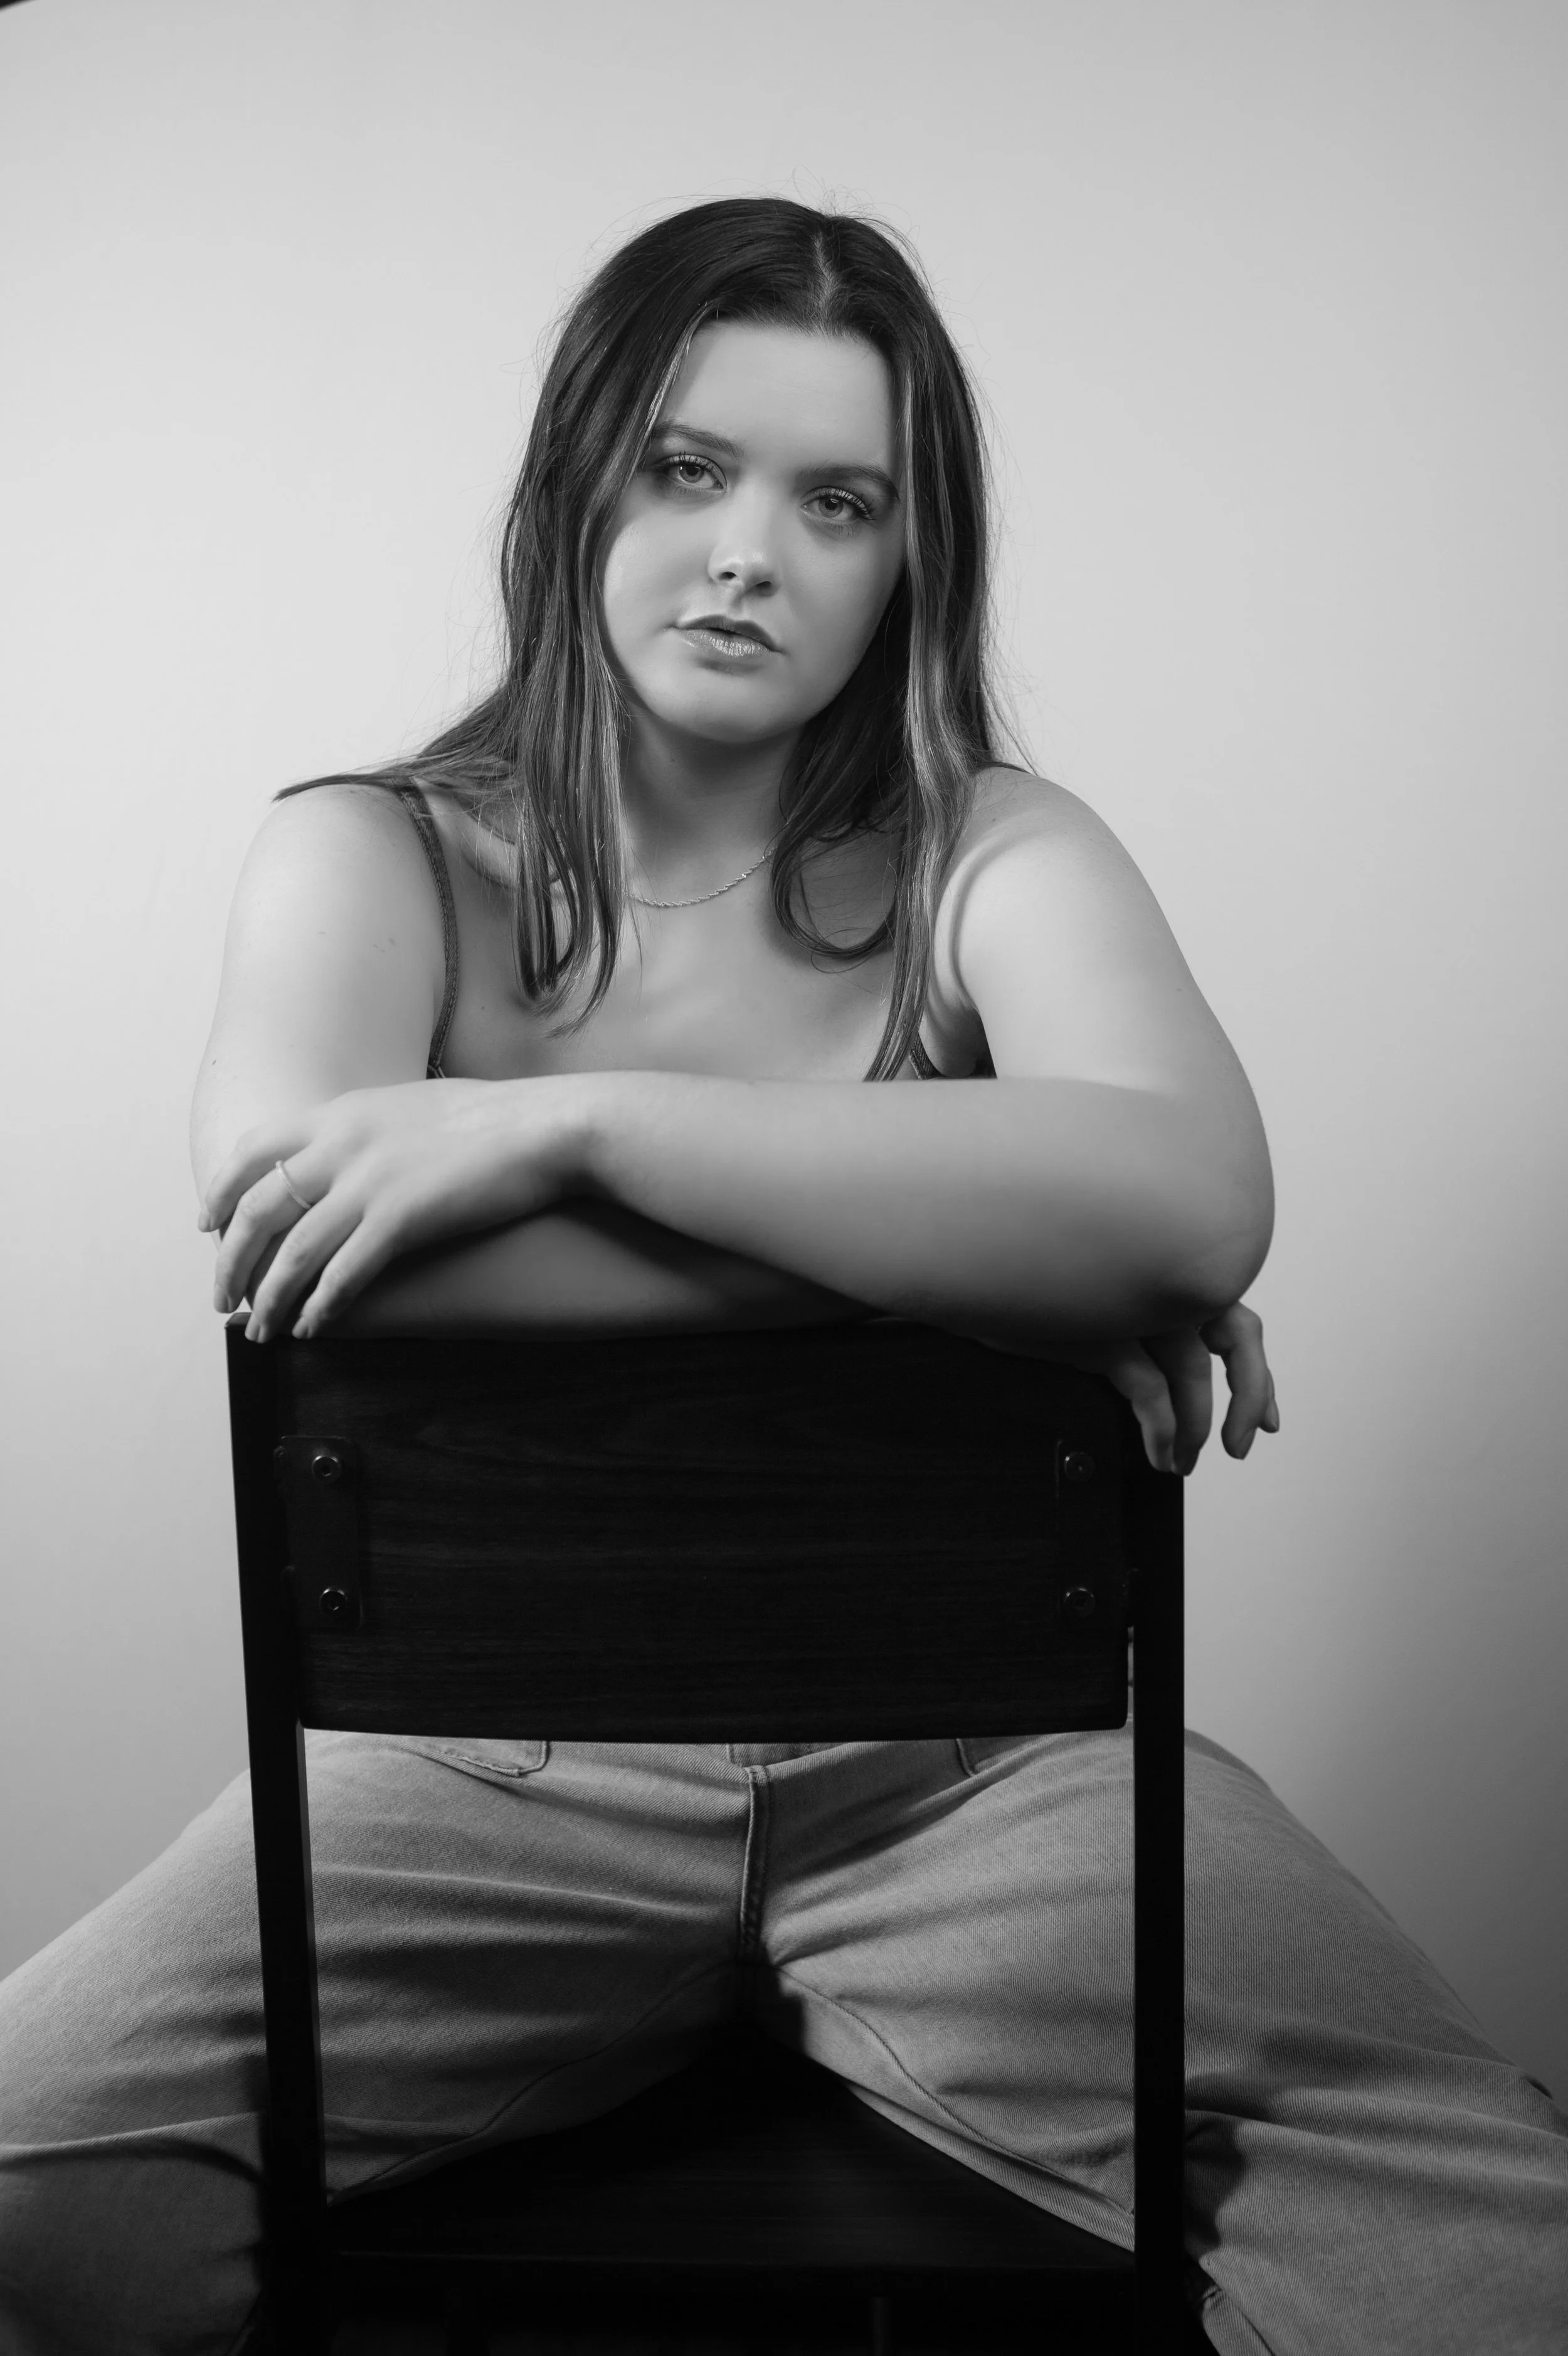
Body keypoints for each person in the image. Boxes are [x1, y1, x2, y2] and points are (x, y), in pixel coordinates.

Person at [1, 197, 1562, 2356]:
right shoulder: (372, 853)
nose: (749, 550)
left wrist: (574, 1125)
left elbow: (1194, 1192)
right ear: (575, 486)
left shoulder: (997, 850)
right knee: (25, 2177)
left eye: (838, 502)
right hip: (471, 1776)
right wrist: (982, 1274)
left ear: (908, 564)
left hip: (982, 1773)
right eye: (685, 465)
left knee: (1483, 2235)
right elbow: (304, 1249)